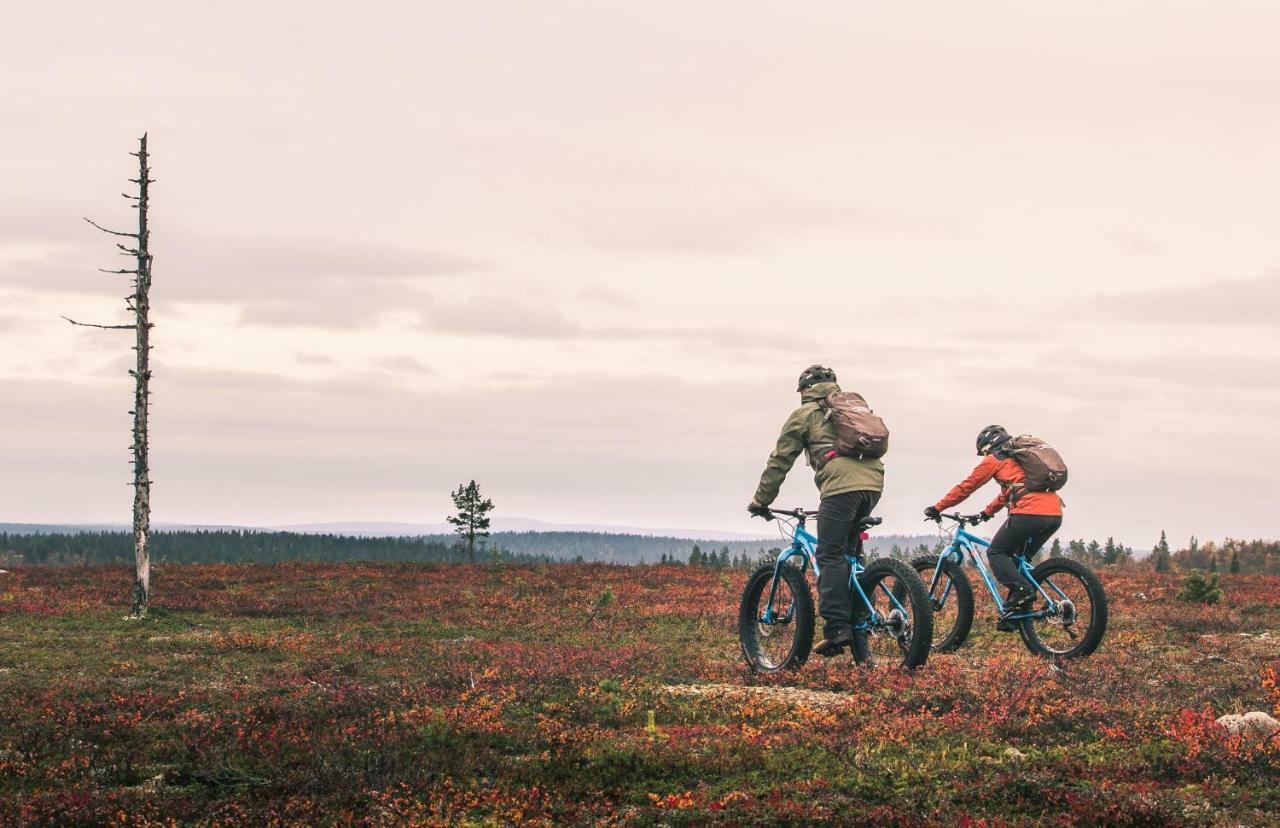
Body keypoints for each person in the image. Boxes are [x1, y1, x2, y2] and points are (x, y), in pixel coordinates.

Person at [747, 365, 885, 656]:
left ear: (804, 390)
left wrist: (761, 500)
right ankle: (860, 629)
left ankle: (837, 629)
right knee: (850, 556)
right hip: (873, 484)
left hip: (841, 488)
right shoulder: (852, 408)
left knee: (829, 554)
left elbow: (780, 460)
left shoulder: (805, 414)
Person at [924, 425, 1063, 627]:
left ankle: (1023, 591)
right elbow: (1009, 493)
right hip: (1054, 514)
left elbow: (967, 487)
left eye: (983, 452)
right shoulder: (1018, 462)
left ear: (989, 446)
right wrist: (987, 512)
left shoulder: (994, 460)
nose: (984, 456)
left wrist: (938, 507)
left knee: (997, 552)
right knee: (1015, 560)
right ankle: (1012, 617)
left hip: (1029, 513)